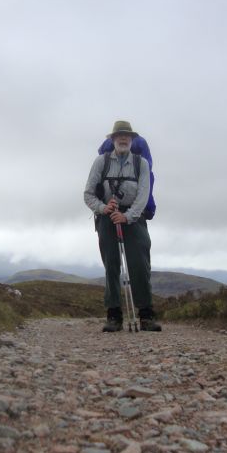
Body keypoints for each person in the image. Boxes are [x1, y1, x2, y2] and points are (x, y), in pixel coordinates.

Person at [84, 120, 162, 332]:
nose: (123, 138)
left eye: (127, 135)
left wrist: (127, 217)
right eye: (119, 135)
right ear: (112, 139)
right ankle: (114, 315)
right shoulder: (101, 162)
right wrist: (103, 208)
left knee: (140, 263)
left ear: (132, 139)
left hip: (134, 217)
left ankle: (146, 314)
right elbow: (88, 194)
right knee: (111, 264)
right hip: (107, 216)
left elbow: (143, 194)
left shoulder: (141, 164)